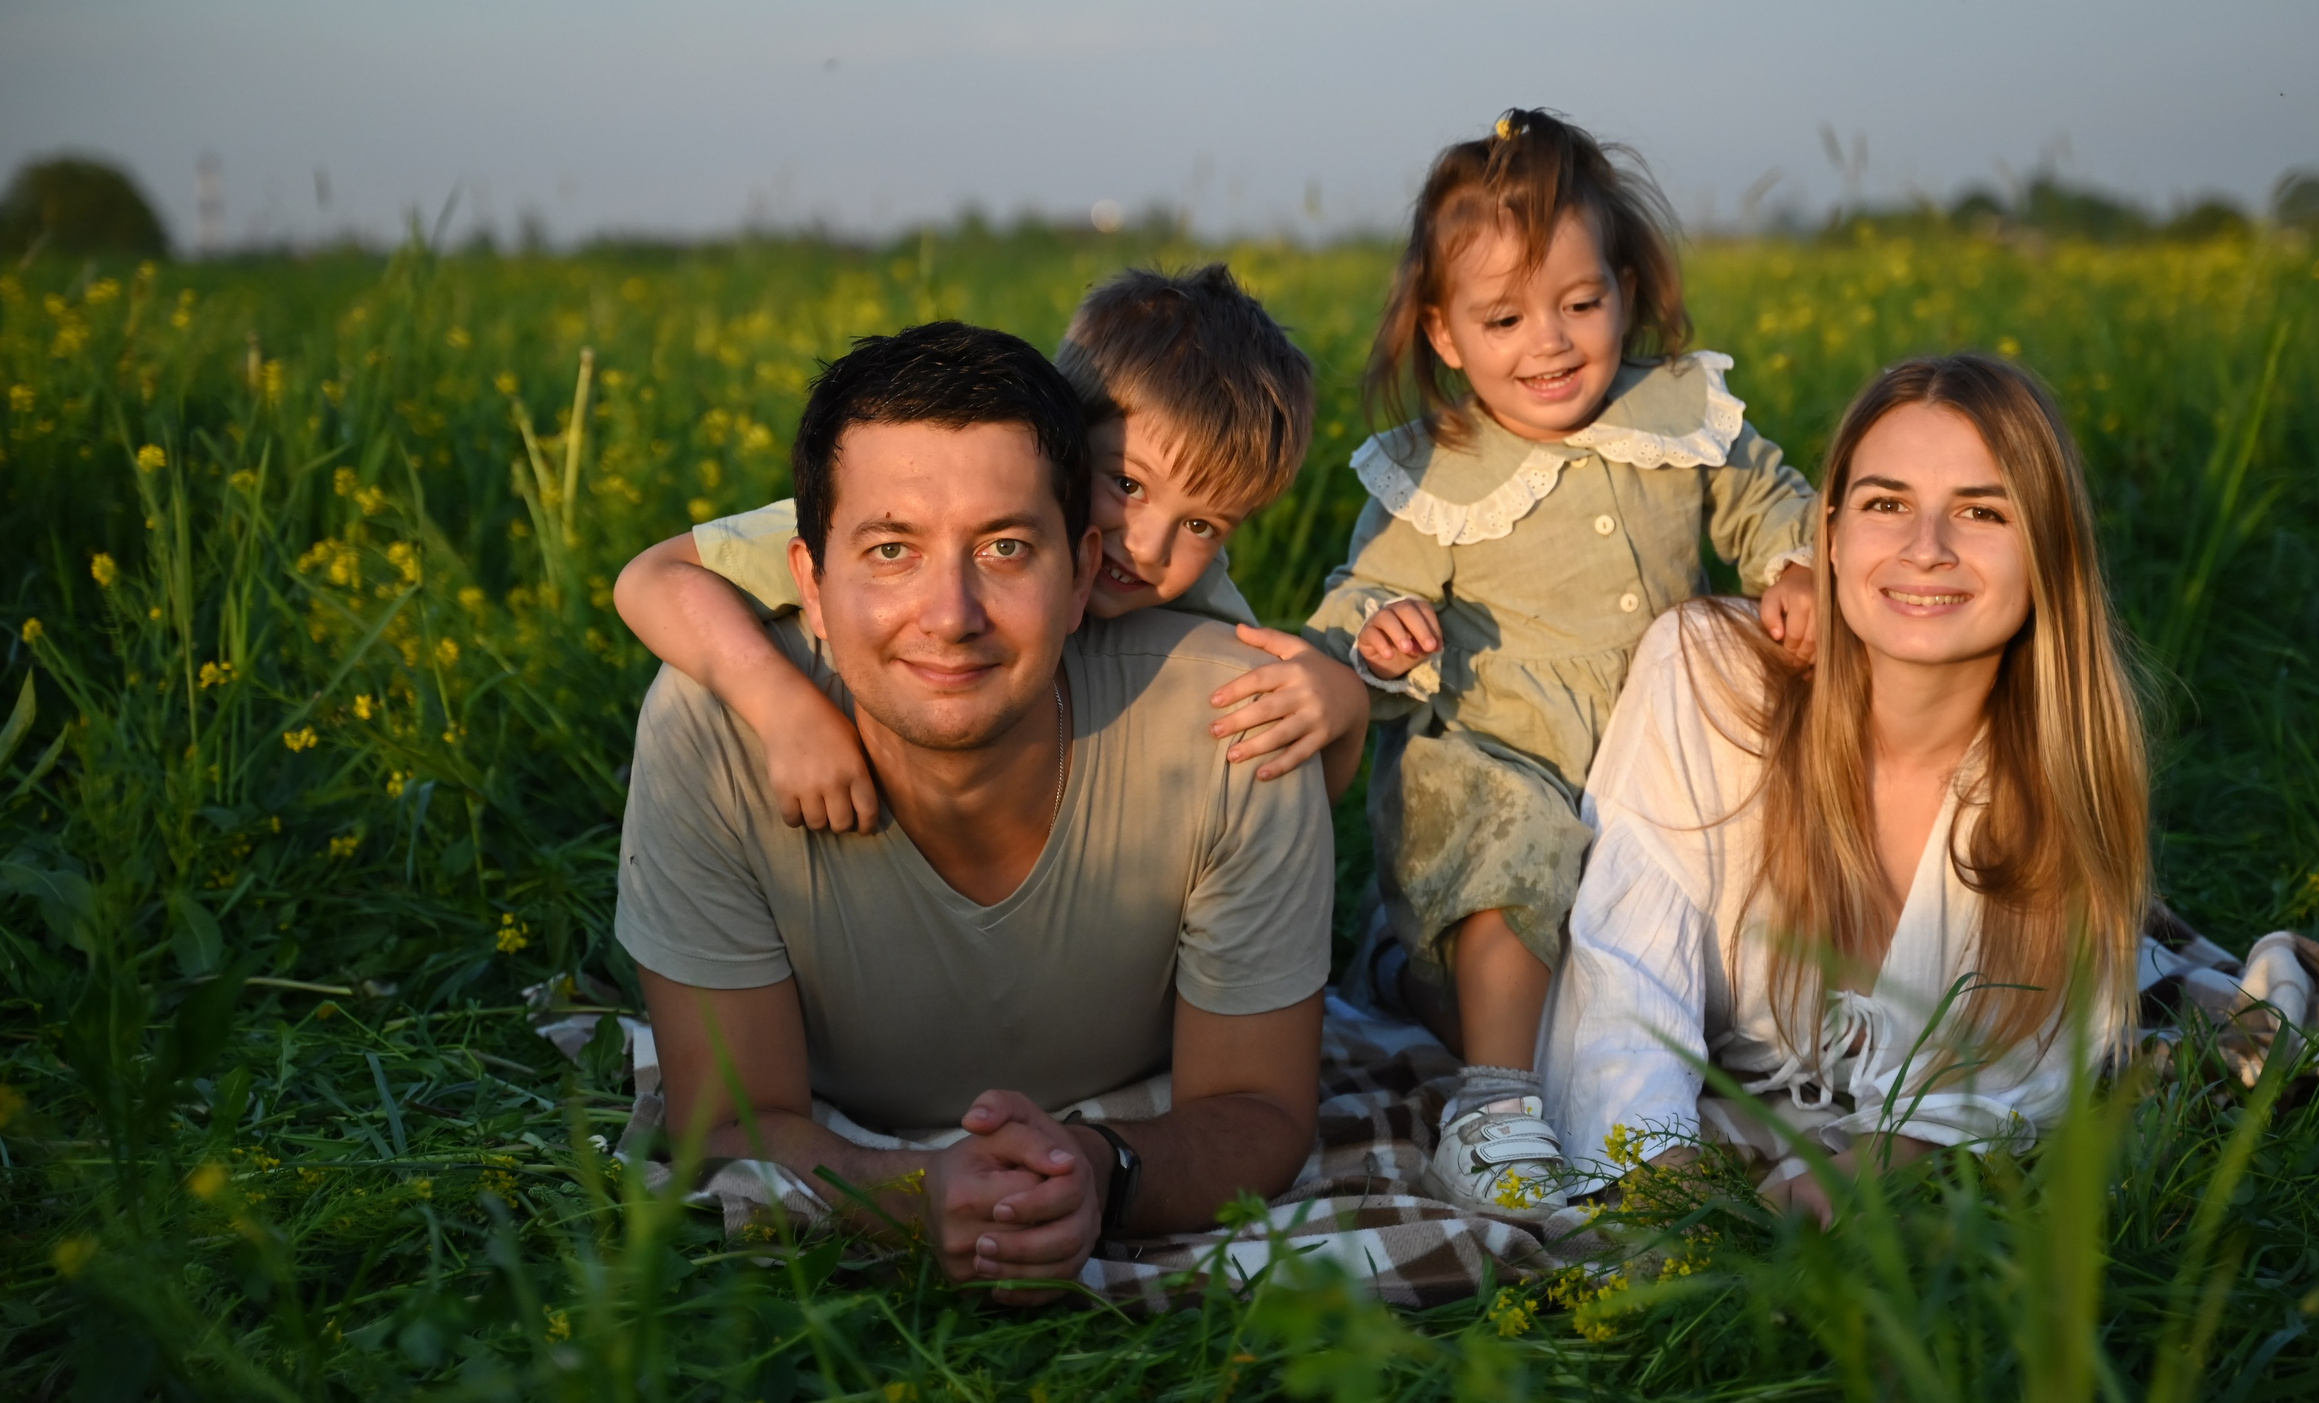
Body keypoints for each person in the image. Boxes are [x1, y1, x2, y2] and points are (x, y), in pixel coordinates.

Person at [616, 321, 1334, 1298]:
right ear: (808, 584)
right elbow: (726, 1124)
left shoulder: (1242, 718)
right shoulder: (715, 730)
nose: (950, 615)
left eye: (1005, 547)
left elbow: (1258, 1108)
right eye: (891, 549)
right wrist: (914, 1196)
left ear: (1081, 570)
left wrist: (1099, 1173)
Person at [1299, 108, 1821, 1213]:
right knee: (1514, 870)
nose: (1549, 342)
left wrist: (1794, 565)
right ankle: (1491, 1108)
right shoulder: (1438, 469)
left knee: (1680, 938)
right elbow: (1360, 596)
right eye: (1503, 318)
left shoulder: (1675, 412)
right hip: (1507, 759)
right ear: (1445, 335)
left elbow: (1771, 497)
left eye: (1579, 304)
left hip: (1661, 771)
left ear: (1624, 291)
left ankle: (1439, 990)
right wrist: (1377, 634)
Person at [1540, 354, 2152, 1224]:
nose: (1926, 549)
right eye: (1886, 504)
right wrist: (1662, 1183)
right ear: (1828, 534)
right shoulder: (1708, 677)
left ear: (2049, 550)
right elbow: (1621, 978)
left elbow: (2026, 1077)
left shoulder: (2066, 779)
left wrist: (1868, 1166)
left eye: (1982, 511)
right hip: (1492, 960)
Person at [614, 265, 1373, 835]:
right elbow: (650, 578)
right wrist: (783, 710)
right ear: (1062, 439)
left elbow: (1279, 803)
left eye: (1203, 526)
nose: (1147, 545)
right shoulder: (914, 517)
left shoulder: (1201, 604)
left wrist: (1343, 710)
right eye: (1127, 484)